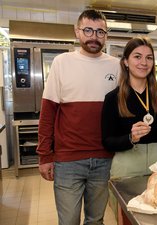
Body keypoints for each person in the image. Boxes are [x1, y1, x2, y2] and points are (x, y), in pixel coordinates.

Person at [36, 9, 120, 225]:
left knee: (96, 220)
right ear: (77, 32)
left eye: (100, 32)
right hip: (68, 160)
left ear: (106, 35)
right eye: (88, 30)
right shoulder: (62, 63)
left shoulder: (116, 65)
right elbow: (48, 113)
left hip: (104, 159)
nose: (94, 36)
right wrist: (45, 155)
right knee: (69, 221)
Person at [101, 36, 157, 225]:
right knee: (129, 219)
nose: (144, 63)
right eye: (137, 57)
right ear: (126, 62)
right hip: (127, 165)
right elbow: (107, 141)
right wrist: (130, 137)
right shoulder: (113, 98)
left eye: (149, 58)